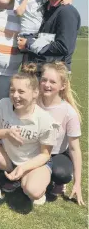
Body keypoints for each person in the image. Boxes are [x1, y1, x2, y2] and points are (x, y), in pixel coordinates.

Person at [0, 63, 58, 205]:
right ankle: (4, 178)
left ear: (35, 93)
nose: (15, 96)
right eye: (12, 90)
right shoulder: (3, 105)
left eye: (21, 92)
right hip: (8, 159)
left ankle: (29, 180)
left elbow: (45, 154)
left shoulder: (45, 120)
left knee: (33, 191)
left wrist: (24, 168)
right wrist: (5, 133)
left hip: (33, 163)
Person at [37, 62, 84, 205]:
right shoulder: (33, 102)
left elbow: (75, 149)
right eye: (44, 80)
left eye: (52, 81)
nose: (47, 84)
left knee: (61, 173)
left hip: (56, 153)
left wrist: (78, 183)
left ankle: (58, 181)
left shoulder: (69, 113)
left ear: (62, 86)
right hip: (35, 151)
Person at [18, 0, 80, 71]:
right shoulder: (46, 9)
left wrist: (29, 43)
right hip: (39, 70)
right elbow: (45, 39)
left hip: (54, 74)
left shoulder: (66, 11)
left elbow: (63, 47)